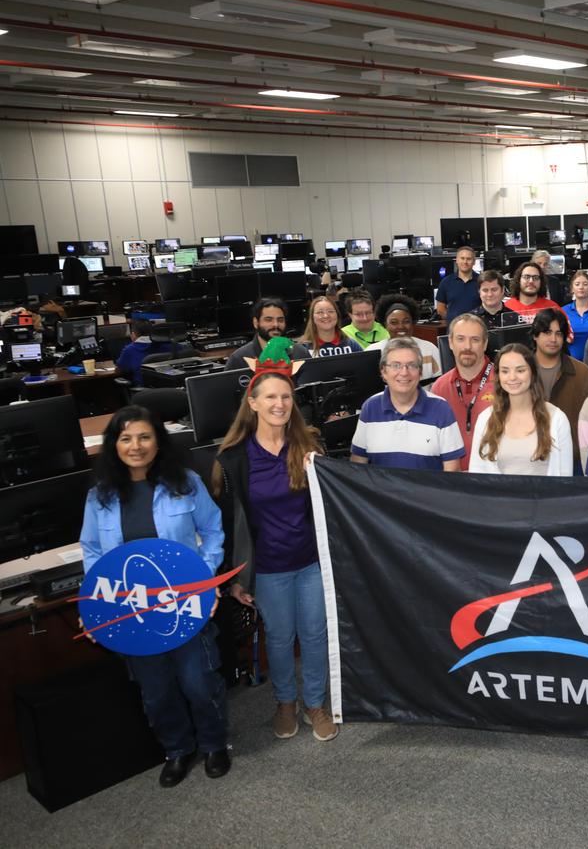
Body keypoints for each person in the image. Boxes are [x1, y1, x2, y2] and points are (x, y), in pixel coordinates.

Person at [79, 405, 229, 787]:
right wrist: (95, 603)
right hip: (133, 610)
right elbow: (93, 552)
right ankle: (178, 749)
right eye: (126, 438)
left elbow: (213, 531)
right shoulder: (100, 497)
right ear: (114, 446)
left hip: (185, 603)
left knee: (198, 681)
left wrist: (204, 577)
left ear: (158, 442)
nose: (136, 446)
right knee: (157, 692)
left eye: (144, 436)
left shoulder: (187, 482)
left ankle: (214, 743)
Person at [214, 347, 337, 743]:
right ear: (252, 403)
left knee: (315, 635)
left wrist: (319, 474)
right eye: (270, 397)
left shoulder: (310, 447)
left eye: (285, 396)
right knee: (281, 638)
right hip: (267, 567)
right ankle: (285, 702)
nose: (279, 404)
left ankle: (315, 702)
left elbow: (334, 505)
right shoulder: (234, 459)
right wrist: (234, 578)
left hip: (312, 561)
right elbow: (228, 525)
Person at [350, 337, 464, 470]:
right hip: (381, 491)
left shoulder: (441, 408)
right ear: (383, 372)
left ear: (420, 372)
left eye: (412, 365)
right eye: (396, 365)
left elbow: (453, 470)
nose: (404, 372)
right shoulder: (370, 407)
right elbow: (357, 467)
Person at [469, 343, 573, 476]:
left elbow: (565, 479)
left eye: (520, 370)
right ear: (498, 376)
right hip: (499, 496)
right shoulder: (485, 419)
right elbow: (477, 475)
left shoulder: (557, 419)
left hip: (544, 496)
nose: (512, 377)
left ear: (533, 373)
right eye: (505, 371)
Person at [530, 308, 588, 467]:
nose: (553, 339)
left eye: (558, 333)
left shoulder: (583, 373)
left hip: (574, 461)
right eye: (547, 332)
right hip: (529, 459)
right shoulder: (519, 372)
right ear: (535, 336)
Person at [430, 314, 494, 471]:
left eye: (475, 340)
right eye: (460, 339)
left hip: (495, 479)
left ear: (485, 344)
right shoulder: (439, 387)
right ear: (450, 342)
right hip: (453, 480)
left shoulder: (506, 383)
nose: (467, 346)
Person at [366, 294, 442, 378]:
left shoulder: (429, 349)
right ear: (385, 324)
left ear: (413, 322)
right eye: (394, 322)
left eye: (406, 321)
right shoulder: (372, 352)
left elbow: (439, 385)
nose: (401, 326)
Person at [224, 298, 309, 370]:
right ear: (256, 323)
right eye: (268, 320)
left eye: (280, 320)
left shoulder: (301, 354)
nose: (275, 324)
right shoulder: (239, 359)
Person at [115, 318, 175, 385]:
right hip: (170, 387)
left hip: (145, 391)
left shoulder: (130, 350)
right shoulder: (168, 345)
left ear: (133, 334)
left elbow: (120, 369)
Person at [435, 245, 480, 321]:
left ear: (474, 261)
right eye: (462, 258)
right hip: (454, 330)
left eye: (468, 259)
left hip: (476, 329)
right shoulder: (446, 282)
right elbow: (440, 309)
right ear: (457, 260)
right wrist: (454, 321)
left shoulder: (481, 281)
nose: (465, 262)